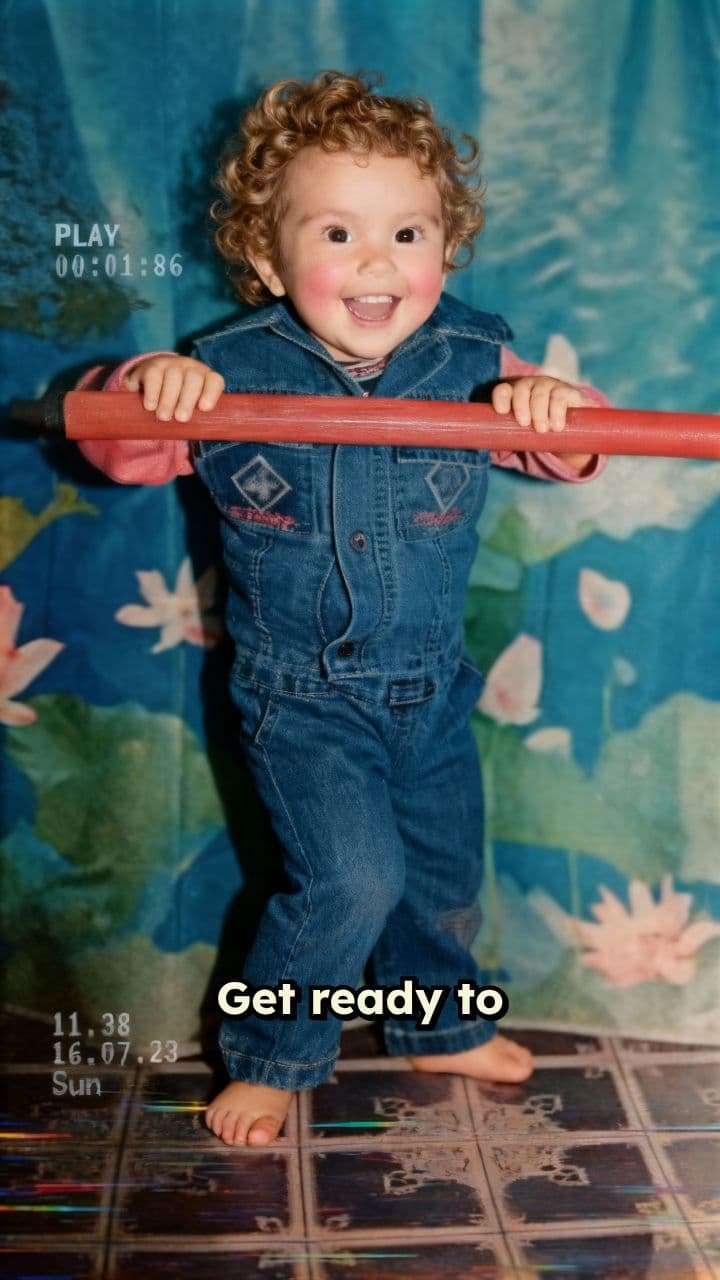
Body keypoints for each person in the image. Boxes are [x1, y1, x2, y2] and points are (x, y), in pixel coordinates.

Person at [78, 71, 607, 1148]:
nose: (379, 260)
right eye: (338, 231)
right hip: (300, 698)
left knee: (442, 879)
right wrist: (149, 383)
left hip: (431, 691)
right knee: (352, 879)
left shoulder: (475, 363)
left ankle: (440, 1023)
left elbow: (578, 443)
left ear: (446, 250)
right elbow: (115, 443)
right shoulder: (220, 373)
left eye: (408, 230)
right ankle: (274, 1055)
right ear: (271, 261)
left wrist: (557, 406)